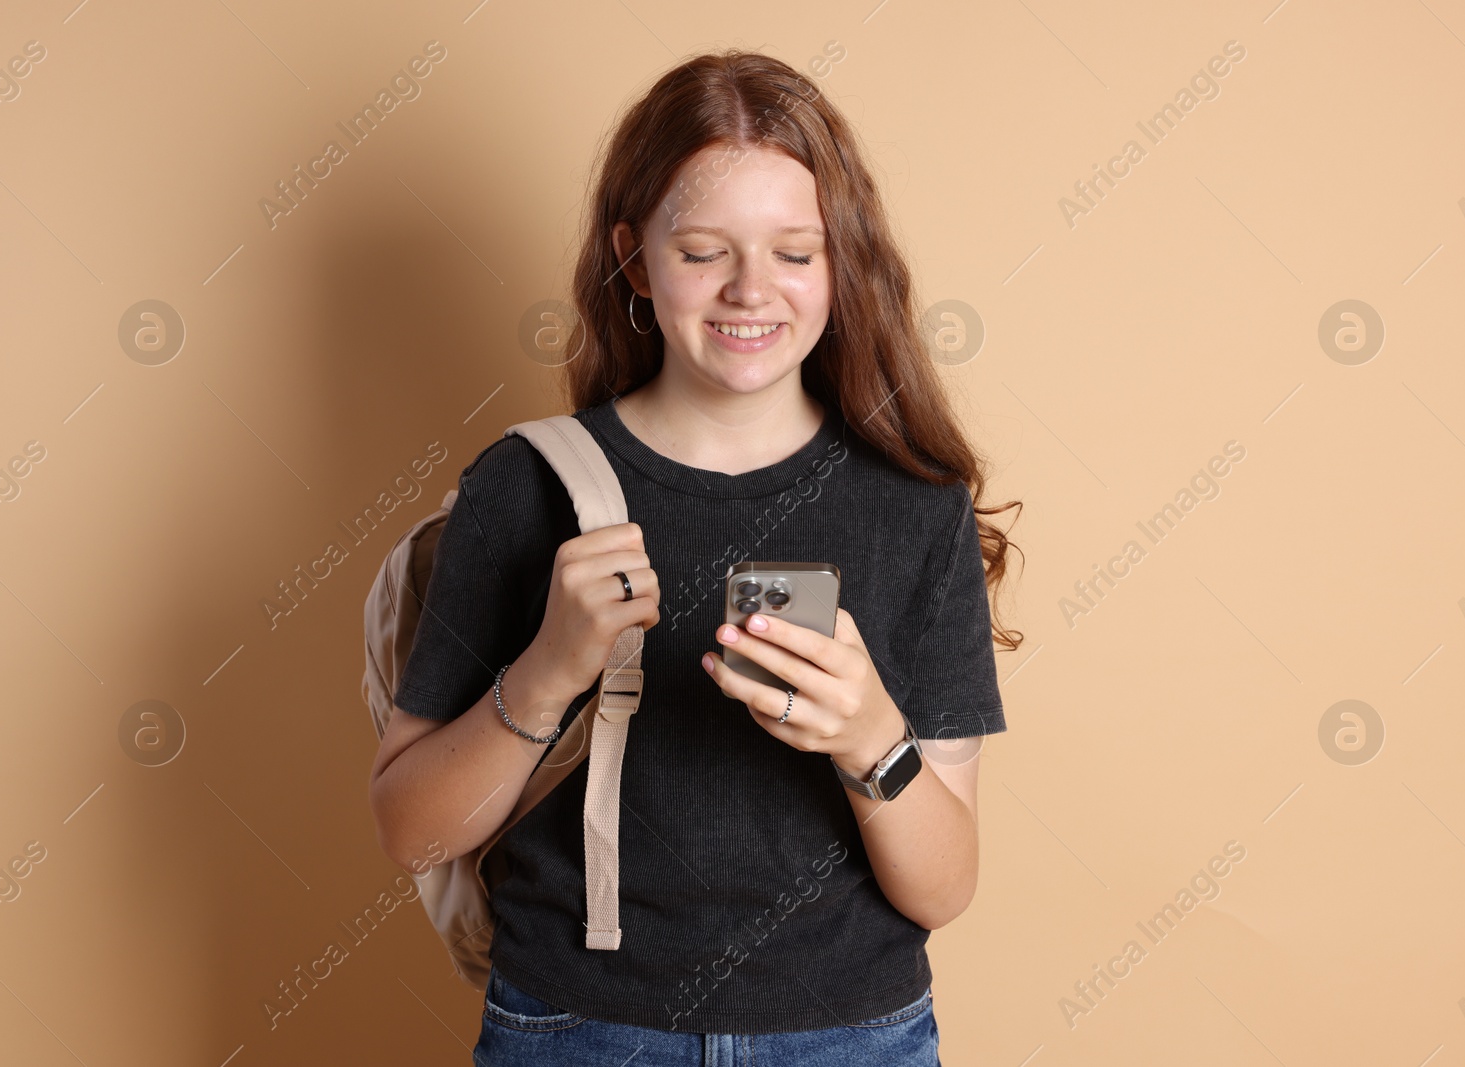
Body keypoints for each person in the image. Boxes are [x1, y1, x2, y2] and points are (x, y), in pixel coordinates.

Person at [368, 48, 1024, 1067]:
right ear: (634, 259)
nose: (749, 289)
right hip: (575, 1029)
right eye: (703, 250)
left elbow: (942, 888)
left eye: (794, 253)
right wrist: (546, 671)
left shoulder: (913, 505)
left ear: (841, 261)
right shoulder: (524, 486)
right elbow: (411, 831)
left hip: (850, 1034)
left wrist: (870, 735)